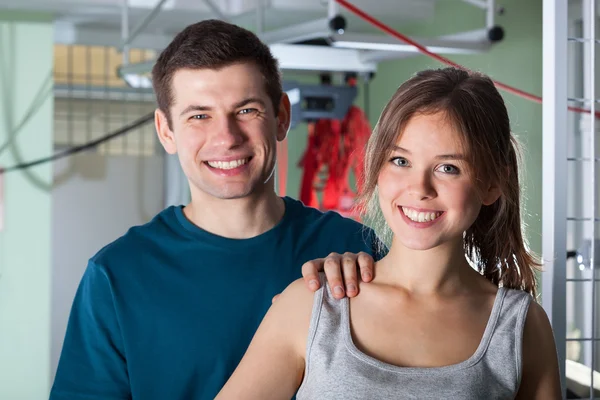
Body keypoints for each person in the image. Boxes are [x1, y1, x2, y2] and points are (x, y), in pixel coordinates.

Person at [50, 20, 380, 400]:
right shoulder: (118, 276)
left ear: (282, 116)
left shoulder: (356, 251)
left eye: (246, 110)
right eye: (199, 116)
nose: (226, 137)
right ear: (166, 131)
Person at [216, 67, 563, 400]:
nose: (420, 188)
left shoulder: (522, 327)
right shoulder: (311, 305)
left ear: (491, 184)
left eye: (448, 168)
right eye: (400, 161)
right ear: (377, 165)